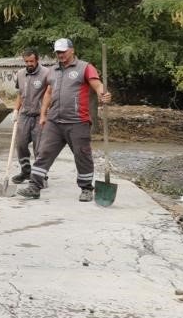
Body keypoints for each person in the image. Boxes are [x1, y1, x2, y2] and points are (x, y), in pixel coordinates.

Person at [16, 38, 112, 202]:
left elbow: (97, 85)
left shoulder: (85, 67)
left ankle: (86, 188)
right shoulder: (52, 71)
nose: (60, 55)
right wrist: (43, 114)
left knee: (82, 155)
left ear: (72, 50)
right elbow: (48, 93)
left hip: (77, 121)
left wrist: (104, 94)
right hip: (54, 121)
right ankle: (34, 187)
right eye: (58, 52)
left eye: (63, 51)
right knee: (43, 153)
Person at [10, 48, 49, 184]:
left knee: (40, 148)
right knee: (20, 144)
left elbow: (50, 94)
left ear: (37, 60)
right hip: (25, 115)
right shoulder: (20, 74)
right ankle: (26, 172)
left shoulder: (46, 73)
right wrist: (16, 110)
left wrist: (46, 113)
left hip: (40, 116)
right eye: (26, 61)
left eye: (31, 61)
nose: (29, 64)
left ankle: (41, 176)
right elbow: (20, 94)